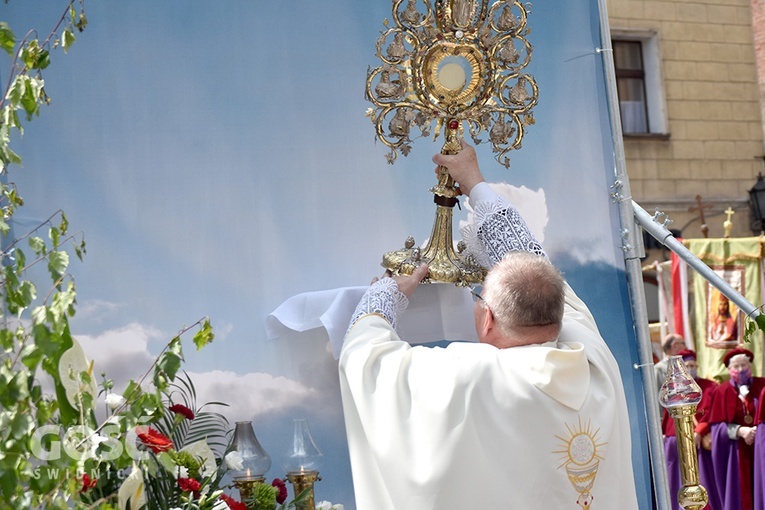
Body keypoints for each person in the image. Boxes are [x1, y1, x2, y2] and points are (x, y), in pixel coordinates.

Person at [338, 141, 639, 509]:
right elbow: (529, 258)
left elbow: (366, 362)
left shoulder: (471, 376)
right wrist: (474, 180)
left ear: (488, 318)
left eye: (479, 299)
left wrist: (385, 294)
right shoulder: (596, 361)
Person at [706, 347, 765, 510]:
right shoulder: (721, 391)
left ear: (750, 366)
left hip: (760, 447)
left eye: (744, 365)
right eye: (736, 367)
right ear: (729, 369)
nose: (740, 370)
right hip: (736, 452)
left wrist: (758, 432)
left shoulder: (762, 385)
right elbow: (717, 429)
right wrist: (740, 431)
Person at [661, 349, 717, 510]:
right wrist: (664, 432)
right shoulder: (674, 389)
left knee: (698, 480)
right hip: (673, 438)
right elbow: (667, 413)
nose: (691, 368)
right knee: (674, 478)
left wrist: (699, 430)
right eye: (688, 366)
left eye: (693, 365)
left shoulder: (709, 386)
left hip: (695, 438)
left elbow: (709, 412)